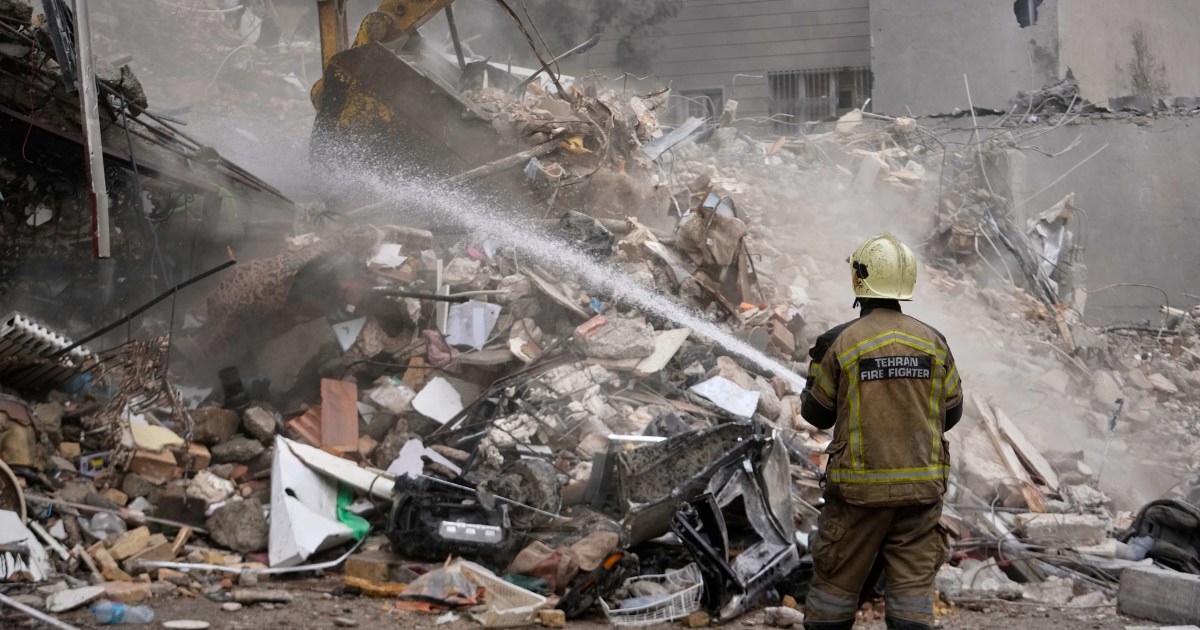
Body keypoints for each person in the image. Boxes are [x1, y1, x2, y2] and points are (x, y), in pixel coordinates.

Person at [798, 233, 964, 630]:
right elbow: (952, 413)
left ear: (860, 279)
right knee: (912, 597)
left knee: (833, 592)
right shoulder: (934, 341)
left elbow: (816, 414)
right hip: (921, 493)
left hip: (859, 495)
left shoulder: (840, 341)